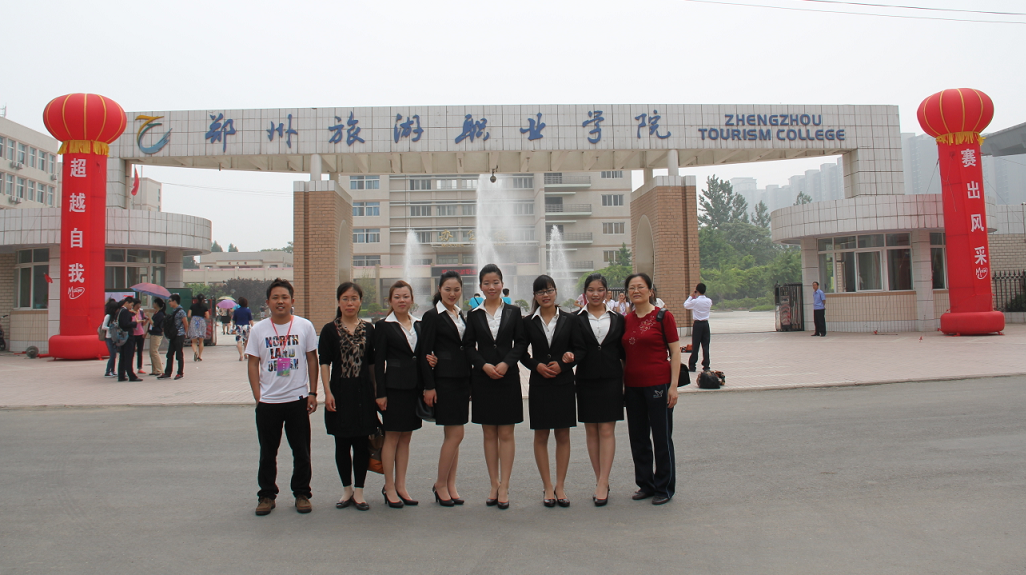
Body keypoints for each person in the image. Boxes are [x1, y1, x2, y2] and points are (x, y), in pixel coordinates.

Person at [246, 278, 319, 516]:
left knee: (301, 451)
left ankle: (302, 493)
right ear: (268, 302)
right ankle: (266, 495)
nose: (280, 301)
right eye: (275, 297)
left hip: (297, 399)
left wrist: (312, 392)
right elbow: (253, 363)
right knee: (268, 453)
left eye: (284, 297)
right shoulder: (258, 330)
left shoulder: (304, 326)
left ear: (292, 301)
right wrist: (258, 396)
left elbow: (312, 359)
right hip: (269, 402)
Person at [465, 264, 527, 510]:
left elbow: (520, 343)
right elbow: (468, 346)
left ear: (502, 284)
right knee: (489, 433)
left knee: (507, 434)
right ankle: (493, 483)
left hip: (507, 377)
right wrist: (483, 365)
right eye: (486, 283)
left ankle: (505, 485)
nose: (491, 287)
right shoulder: (473, 314)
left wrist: (505, 363)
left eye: (495, 282)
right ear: (480, 286)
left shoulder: (513, 311)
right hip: (483, 379)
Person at [521, 275, 583, 508]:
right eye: (540, 292)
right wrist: (536, 366)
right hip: (540, 383)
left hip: (563, 382)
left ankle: (560, 486)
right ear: (535, 296)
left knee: (563, 435)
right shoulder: (528, 322)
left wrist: (566, 363)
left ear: (556, 292)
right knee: (541, 435)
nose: (545, 295)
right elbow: (522, 353)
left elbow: (580, 349)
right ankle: (547, 486)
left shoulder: (570, 319)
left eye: (549, 290)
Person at [318, 282, 379, 511]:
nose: (350, 303)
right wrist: (327, 392)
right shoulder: (329, 330)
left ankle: (360, 491)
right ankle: (347, 490)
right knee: (342, 444)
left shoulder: (369, 329)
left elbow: (372, 364)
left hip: (364, 393)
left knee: (362, 444)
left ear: (360, 301)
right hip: (340, 393)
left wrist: (377, 393)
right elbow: (324, 363)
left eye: (354, 298)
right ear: (338, 301)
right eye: (345, 298)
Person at [623, 273, 680, 506]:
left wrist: (673, 386)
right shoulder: (626, 320)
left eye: (640, 287)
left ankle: (664, 487)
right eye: (632, 287)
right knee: (638, 438)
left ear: (650, 291)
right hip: (633, 387)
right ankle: (645, 484)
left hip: (658, 384)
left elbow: (675, 352)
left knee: (661, 437)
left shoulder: (663, 316)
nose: (636, 291)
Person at [420, 270, 471, 507]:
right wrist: (429, 386)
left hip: (461, 380)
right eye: (448, 289)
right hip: (444, 381)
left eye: (456, 289)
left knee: (454, 436)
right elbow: (425, 352)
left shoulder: (461, 315)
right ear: (439, 289)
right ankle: (440, 484)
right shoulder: (432, 316)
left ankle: (451, 484)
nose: (452, 293)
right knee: (456, 434)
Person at [575, 274, 626, 506]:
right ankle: (599, 479)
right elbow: (572, 347)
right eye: (591, 290)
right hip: (586, 379)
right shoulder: (575, 319)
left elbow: (623, 353)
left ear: (607, 292)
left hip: (611, 380)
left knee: (606, 430)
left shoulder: (618, 319)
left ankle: (604, 481)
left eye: (600, 289)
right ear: (585, 292)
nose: (595, 294)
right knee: (591, 431)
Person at [374, 281, 424, 509]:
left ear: (411, 299)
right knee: (392, 437)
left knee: (406, 438)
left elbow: (421, 355)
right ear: (390, 301)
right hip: (393, 389)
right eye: (397, 297)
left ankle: (401, 485)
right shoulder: (383, 326)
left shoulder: (419, 324)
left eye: (405, 296)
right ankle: (389, 486)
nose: (402, 300)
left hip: (413, 388)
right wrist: (380, 393)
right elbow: (378, 363)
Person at [158, 294, 189, 380]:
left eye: (170, 301)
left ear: (175, 301)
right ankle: (168, 372)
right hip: (173, 335)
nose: (169, 303)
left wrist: (185, 334)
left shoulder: (181, 311)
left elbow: (185, 323)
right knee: (169, 354)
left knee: (179, 355)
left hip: (179, 335)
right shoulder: (174, 311)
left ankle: (180, 373)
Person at [684, 283, 712, 372]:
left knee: (696, 345)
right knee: (706, 345)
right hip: (706, 324)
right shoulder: (709, 301)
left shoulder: (695, 301)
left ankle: (692, 365)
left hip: (697, 324)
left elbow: (686, 305)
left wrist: (691, 296)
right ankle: (706, 365)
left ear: (697, 291)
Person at [115, 297, 142, 382]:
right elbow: (125, 324)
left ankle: (121, 375)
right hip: (127, 336)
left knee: (123, 356)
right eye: (131, 304)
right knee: (128, 356)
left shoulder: (119, 311)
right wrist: (135, 323)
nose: (131, 306)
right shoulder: (125, 311)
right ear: (126, 303)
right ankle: (131, 375)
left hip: (122, 336)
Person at [101, 298, 120, 377]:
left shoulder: (114, 316)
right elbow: (103, 327)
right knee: (112, 355)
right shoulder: (108, 316)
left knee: (114, 355)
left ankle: (112, 370)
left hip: (114, 337)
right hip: (109, 337)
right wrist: (111, 328)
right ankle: (108, 371)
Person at [188, 293, 210, 362]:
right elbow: (207, 316)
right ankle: (200, 356)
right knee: (201, 341)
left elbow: (189, 315)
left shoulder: (192, 306)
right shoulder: (205, 307)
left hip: (194, 322)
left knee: (194, 341)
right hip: (201, 322)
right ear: (203, 299)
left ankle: (195, 352)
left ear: (196, 299)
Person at [147, 298, 166, 376]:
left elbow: (154, 324)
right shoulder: (156, 313)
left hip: (157, 334)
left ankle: (159, 369)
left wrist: (149, 317)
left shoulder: (160, 314)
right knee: (152, 352)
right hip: (153, 333)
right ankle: (154, 369)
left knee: (154, 351)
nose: (153, 304)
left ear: (157, 304)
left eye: (154, 303)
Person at [131, 299, 148, 373]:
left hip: (140, 333)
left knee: (140, 351)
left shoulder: (141, 312)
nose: (139, 306)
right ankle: (129, 367)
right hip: (133, 333)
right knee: (131, 351)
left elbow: (142, 324)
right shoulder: (131, 312)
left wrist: (146, 320)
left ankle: (140, 367)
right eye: (138, 304)